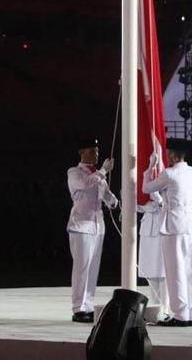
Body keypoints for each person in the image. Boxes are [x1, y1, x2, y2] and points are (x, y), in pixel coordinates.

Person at [142, 140, 192, 327]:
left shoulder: (170, 174)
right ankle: (189, 312)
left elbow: (146, 188)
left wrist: (149, 169)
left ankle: (179, 315)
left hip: (173, 227)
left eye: (168, 153)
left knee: (175, 271)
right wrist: (183, 210)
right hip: (191, 226)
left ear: (174, 155)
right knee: (188, 273)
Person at [66, 138, 117, 323]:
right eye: (91, 151)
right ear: (81, 152)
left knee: (93, 268)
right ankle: (78, 308)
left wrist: (113, 201)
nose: (96, 154)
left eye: (96, 151)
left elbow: (104, 193)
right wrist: (104, 171)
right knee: (82, 268)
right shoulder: (75, 172)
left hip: (97, 226)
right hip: (81, 226)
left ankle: (87, 305)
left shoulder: (98, 174)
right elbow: (85, 184)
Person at [136, 189, 169, 323]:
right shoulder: (145, 181)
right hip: (147, 228)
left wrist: (160, 202)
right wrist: (144, 206)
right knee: (150, 272)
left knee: (163, 272)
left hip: (163, 226)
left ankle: (165, 310)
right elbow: (134, 203)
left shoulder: (168, 178)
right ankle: (156, 309)